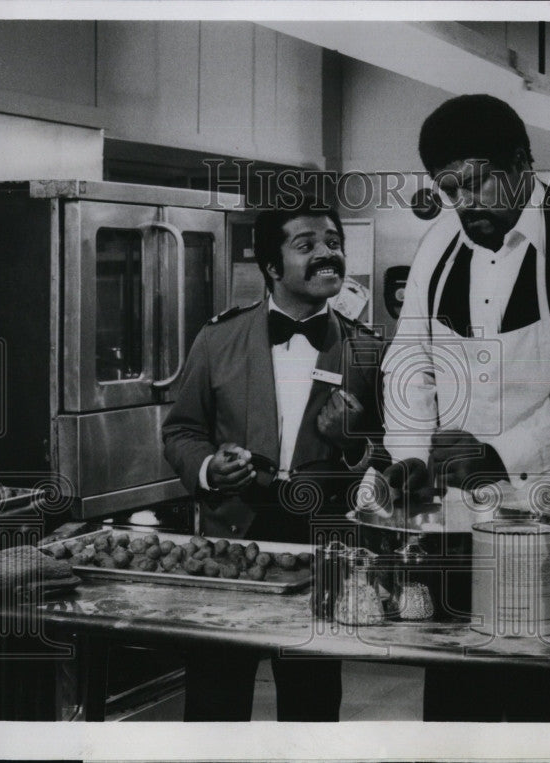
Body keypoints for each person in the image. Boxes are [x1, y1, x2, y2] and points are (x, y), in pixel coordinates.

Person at [381, 94, 550, 721]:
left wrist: (497, 454)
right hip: (467, 536)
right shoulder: (440, 243)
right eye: (449, 189)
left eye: (477, 183)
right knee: (459, 714)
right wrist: (412, 456)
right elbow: (409, 361)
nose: (466, 203)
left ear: (522, 163)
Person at [162, 196, 387, 721]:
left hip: (320, 546)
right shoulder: (218, 339)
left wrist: (354, 443)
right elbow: (182, 430)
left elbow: (394, 459)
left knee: (311, 704)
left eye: (333, 244)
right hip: (230, 539)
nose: (326, 255)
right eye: (305, 245)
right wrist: (208, 467)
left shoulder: (368, 350)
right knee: (216, 702)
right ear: (269, 267)